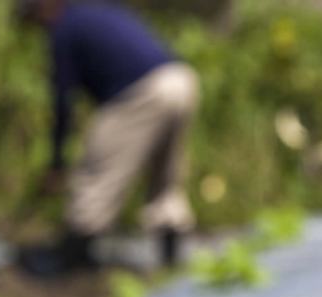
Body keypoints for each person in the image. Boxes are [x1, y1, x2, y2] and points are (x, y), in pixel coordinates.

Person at [18, 0, 199, 274]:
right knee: (165, 173)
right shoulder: (97, 10)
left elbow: (63, 102)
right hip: (180, 79)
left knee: (96, 171)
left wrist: (57, 164)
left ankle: (73, 255)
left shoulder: (64, 29)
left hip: (141, 90)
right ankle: (171, 256)